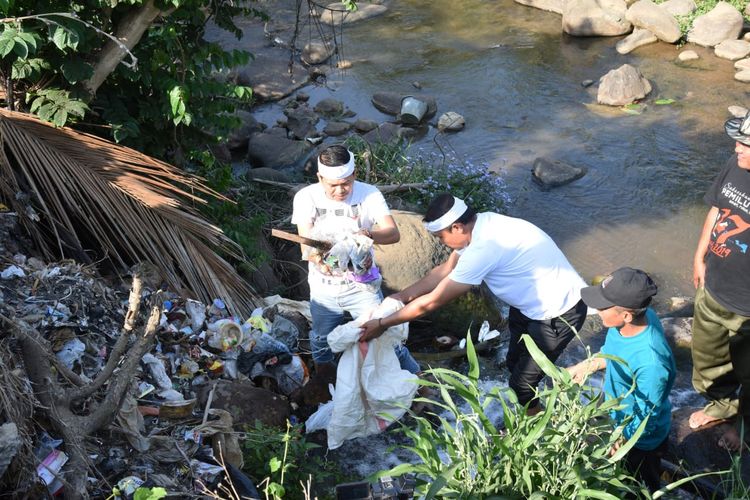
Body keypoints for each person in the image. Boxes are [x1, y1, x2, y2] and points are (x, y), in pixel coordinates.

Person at [360, 193, 588, 414]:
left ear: (457, 227)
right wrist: (400, 297)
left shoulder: (484, 248)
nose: (443, 242)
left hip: (559, 312)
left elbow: (431, 303)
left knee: (522, 385)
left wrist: (383, 323)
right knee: (514, 363)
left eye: (441, 237)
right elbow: (443, 271)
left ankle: (539, 427)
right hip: (529, 305)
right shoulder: (482, 223)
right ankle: (530, 407)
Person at [291, 145, 420, 379]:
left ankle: (418, 380)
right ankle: (325, 381)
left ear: (355, 174)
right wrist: (323, 260)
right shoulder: (306, 198)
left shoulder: (368, 194)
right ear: (320, 178)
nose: (341, 190)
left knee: (385, 337)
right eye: (333, 185)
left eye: (346, 183)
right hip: (324, 289)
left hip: (362, 287)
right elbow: (305, 245)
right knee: (321, 338)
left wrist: (368, 235)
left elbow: (393, 233)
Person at [566, 267, 675, 493]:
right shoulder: (626, 325)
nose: (597, 308)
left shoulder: (651, 363)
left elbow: (647, 416)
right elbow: (615, 352)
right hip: (620, 415)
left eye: (603, 306)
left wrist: (624, 442)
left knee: (641, 485)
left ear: (626, 315)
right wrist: (588, 365)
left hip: (642, 440)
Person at [688, 111, 750, 452]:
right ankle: (722, 405)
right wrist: (700, 256)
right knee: (707, 357)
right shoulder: (736, 165)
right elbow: (716, 208)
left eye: (745, 143)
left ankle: (745, 428)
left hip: (747, 307)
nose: (736, 147)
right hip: (713, 286)